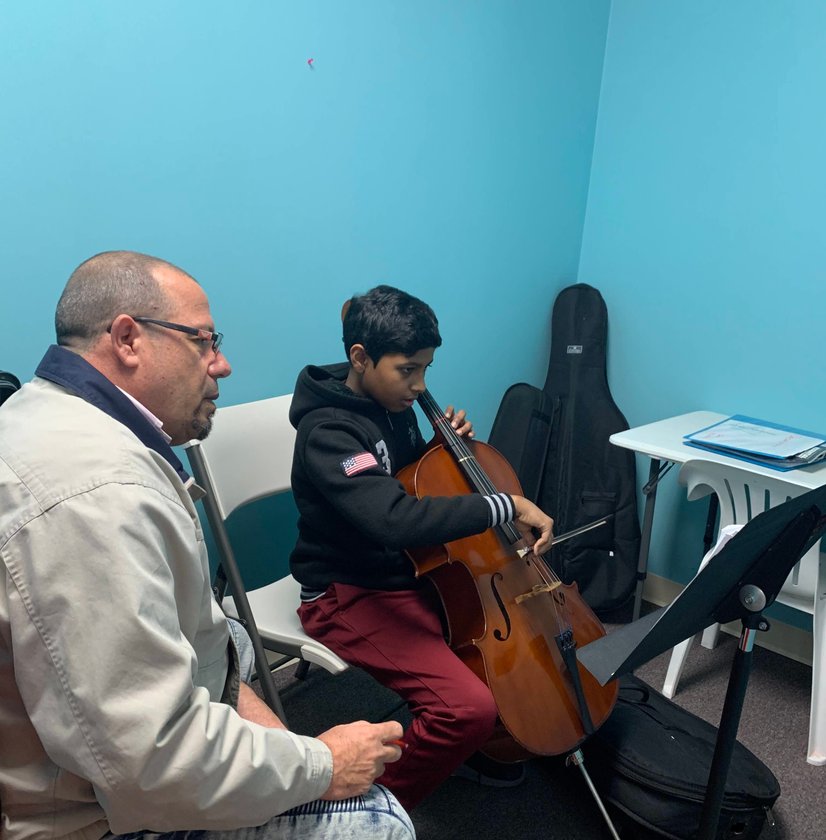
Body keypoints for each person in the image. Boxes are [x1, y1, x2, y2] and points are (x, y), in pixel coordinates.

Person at [0, 252, 415, 840]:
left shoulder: (45, 408)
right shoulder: (94, 498)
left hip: (80, 738)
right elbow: (153, 762)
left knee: (234, 637)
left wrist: (273, 746)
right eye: (203, 341)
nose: (221, 364)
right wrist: (323, 763)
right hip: (86, 814)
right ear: (127, 339)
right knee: (379, 819)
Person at [288, 285, 555, 811]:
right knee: (467, 709)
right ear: (360, 359)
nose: (419, 386)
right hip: (346, 593)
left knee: (509, 644)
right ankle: (371, 808)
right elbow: (392, 517)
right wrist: (506, 504)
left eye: (426, 369)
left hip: (406, 574)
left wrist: (441, 449)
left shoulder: (391, 402)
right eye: (408, 370)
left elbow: (404, 481)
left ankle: (468, 748)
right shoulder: (328, 432)